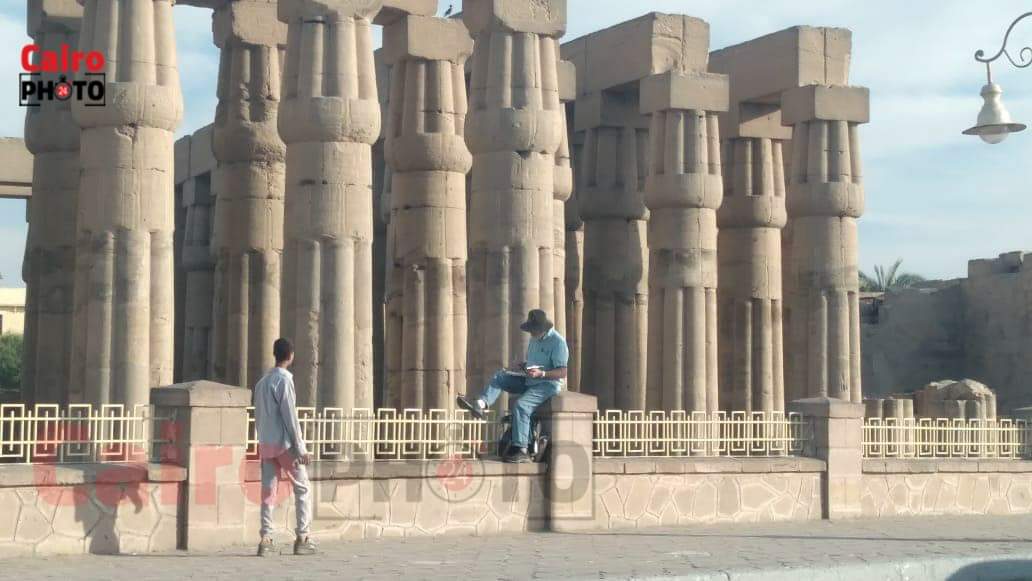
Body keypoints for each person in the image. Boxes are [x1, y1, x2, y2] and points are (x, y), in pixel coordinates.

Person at [457, 309, 569, 463]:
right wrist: (522, 366)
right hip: (530, 379)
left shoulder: (558, 342)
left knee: (521, 406)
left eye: (533, 330)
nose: (530, 333)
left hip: (547, 384)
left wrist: (542, 374)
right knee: (500, 377)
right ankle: (481, 404)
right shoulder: (534, 339)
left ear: (542, 328)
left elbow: (562, 372)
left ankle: (522, 450)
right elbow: (534, 363)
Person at [254, 338, 317, 557]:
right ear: (290, 356)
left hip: (266, 443)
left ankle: (266, 538)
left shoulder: (261, 383)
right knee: (303, 488)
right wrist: (301, 448)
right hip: (284, 445)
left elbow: (258, 416)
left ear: (275, 354)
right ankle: (303, 537)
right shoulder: (284, 380)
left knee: (268, 492)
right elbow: (290, 416)